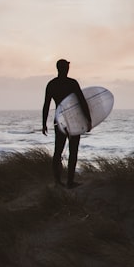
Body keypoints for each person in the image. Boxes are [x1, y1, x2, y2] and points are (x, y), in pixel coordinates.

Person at [42, 59, 92, 188]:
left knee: (58, 151)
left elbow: (46, 106)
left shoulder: (52, 84)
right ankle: (70, 182)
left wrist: (44, 124)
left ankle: (58, 181)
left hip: (59, 120)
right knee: (73, 151)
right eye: (67, 67)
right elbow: (81, 101)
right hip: (73, 120)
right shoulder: (72, 83)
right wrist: (88, 119)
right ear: (64, 68)